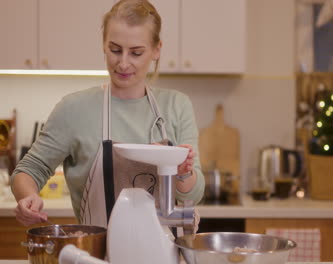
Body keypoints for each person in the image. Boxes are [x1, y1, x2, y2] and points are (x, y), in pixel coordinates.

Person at [10, 0, 204, 227]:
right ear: (103, 45)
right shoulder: (74, 109)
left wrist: (181, 171)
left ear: (156, 50)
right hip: (96, 257)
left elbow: (195, 193)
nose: (123, 63)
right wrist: (27, 197)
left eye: (136, 53)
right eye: (115, 50)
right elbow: (29, 170)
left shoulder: (177, 106)